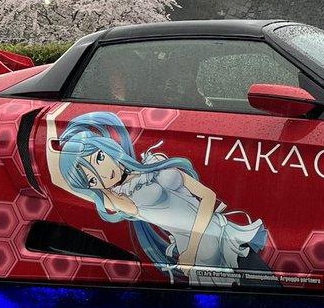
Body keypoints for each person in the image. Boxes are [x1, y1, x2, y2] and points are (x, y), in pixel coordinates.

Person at [45, 110, 272, 287]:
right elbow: (58, 177)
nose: (103, 173)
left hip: (221, 232)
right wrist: (49, 120)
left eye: (100, 157)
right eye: (92, 179)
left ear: (108, 147)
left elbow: (207, 196)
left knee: (268, 284)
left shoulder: (152, 161)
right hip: (199, 250)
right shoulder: (119, 198)